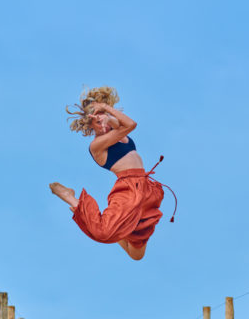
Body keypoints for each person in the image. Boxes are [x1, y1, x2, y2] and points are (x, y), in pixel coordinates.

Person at [50, 86, 173, 260]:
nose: (102, 126)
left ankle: (121, 228)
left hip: (146, 189)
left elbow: (121, 124)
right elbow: (131, 125)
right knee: (102, 232)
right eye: (97, 124)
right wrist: (106, 110)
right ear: (90, 126)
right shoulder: (97, 145)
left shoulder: (116, 130)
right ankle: (72, 199)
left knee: (137, 254)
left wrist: (106, 115)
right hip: (129, 189)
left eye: (104, 122)